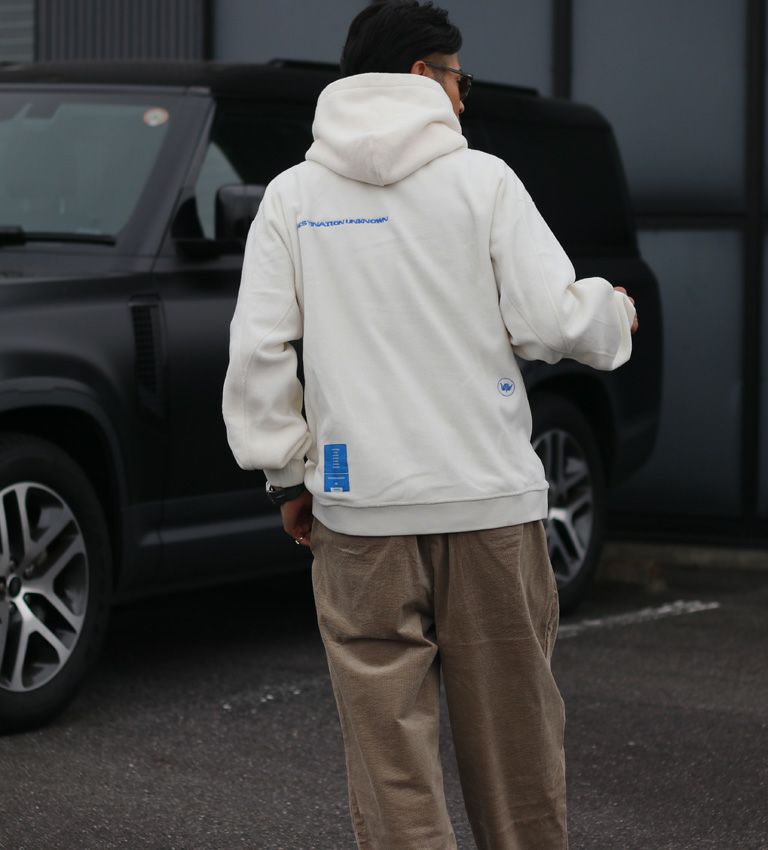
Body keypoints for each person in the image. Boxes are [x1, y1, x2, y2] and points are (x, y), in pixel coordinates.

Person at [222, 1, 638, 847]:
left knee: (392, 771)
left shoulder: (293, 197)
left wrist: (287, 473)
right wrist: (615, 312)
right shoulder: (483, 182)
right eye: (459, 79)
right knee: (516, 755)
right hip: (489, 508)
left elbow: (260, 352)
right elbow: (551, 320)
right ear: (422, 74)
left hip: (360, 513)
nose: (462, 98)